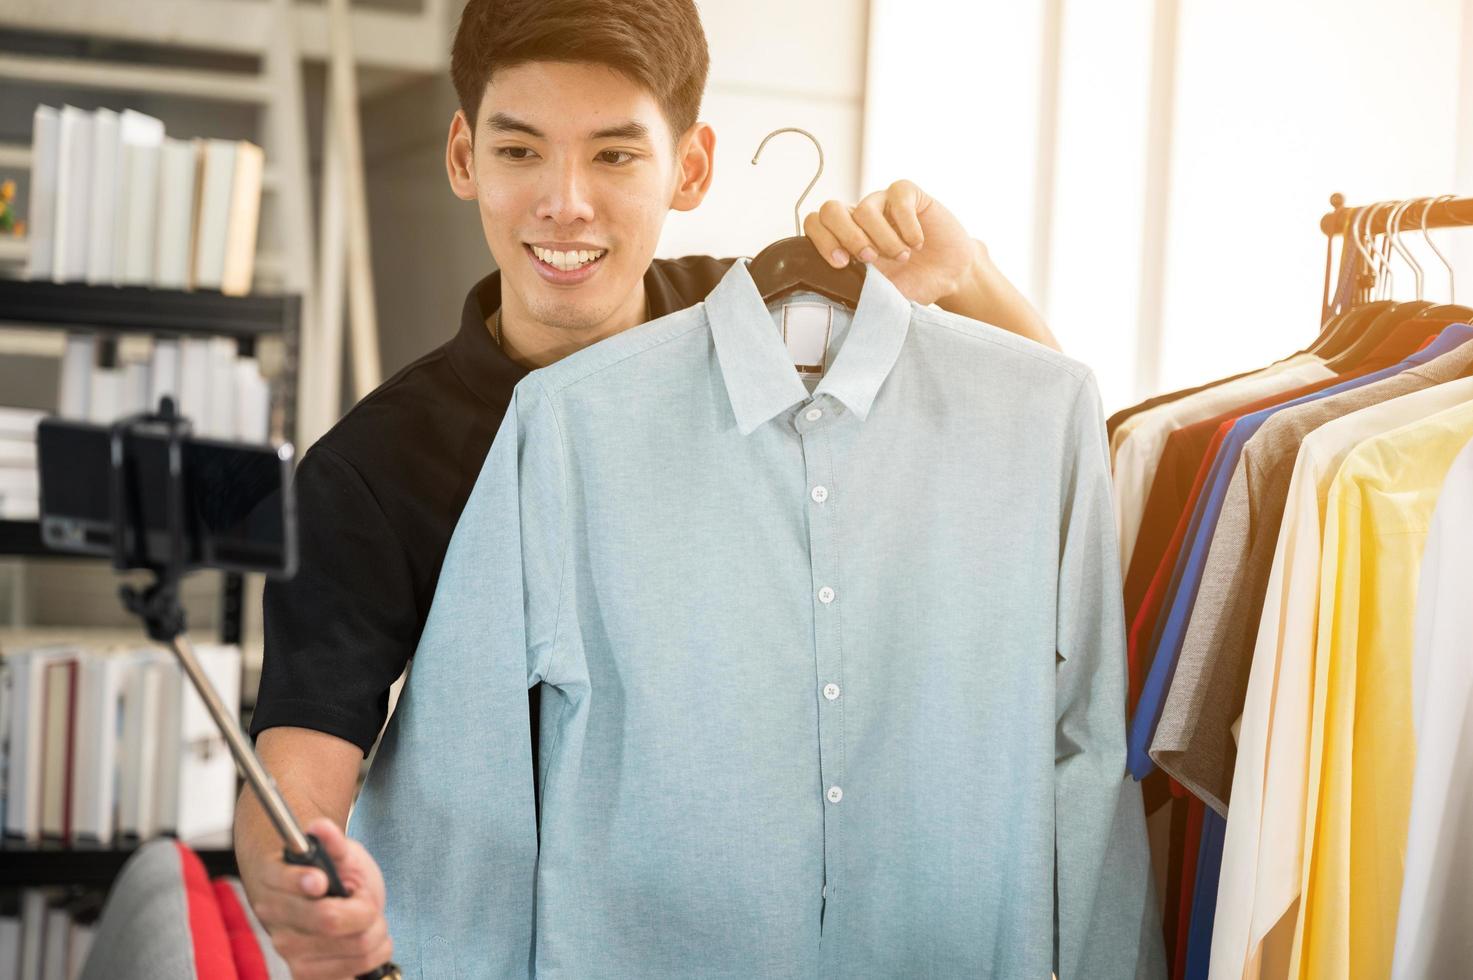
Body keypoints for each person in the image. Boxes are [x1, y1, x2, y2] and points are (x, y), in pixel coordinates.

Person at [234, 1, 1061, 976]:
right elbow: (300, 762)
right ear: (465, 157)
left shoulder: (771, 329)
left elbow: (1038, 457)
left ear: (692, 166)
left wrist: (967, 277)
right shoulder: (373, 469)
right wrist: (300, 877)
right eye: (521, 152)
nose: (566, 202)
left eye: (616, 156)